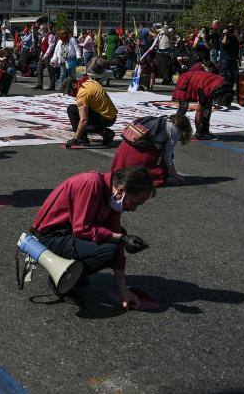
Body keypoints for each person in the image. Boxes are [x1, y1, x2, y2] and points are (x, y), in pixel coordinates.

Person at [30, 167, 154, 306]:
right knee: (108, 250)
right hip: (48, 237)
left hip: (67, 233)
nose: (133, 209)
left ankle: (74, 272)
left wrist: (123, 291)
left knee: (115, 241)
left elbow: (117, 235)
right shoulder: (91, 184)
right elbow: (82, 229)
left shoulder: (113, 196)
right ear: (121, 190)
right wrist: (120, 238)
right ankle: (61, 278)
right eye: (134, 202)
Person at [111, 114, 192, 186]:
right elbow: (167, 156)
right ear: (184, 128)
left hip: (123, 149)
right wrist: (175, 174)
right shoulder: (174, 130)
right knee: (163, 166)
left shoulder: (160, 120)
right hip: (136, 153)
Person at [172, 70, 233, 140]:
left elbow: (207, 110)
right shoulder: (205, 92)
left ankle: (204, 132)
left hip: (200, 81)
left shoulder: (223, 86)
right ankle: (175, 130)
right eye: (219, 101)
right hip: (186, 81)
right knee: (184, 107)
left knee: (207, 110)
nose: (217, 103)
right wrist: (198, 131)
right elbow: (199, 112)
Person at [62, 75, 117, 148]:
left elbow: (84, 120)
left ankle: (83, 139)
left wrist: (75, 138)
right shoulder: (89, 82)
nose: (69, 95)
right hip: (111, 116)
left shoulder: (82, 94)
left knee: (71, 109)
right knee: (81, 113)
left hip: (105, 119)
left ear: (74, 85)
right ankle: (106, 132)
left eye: (69, 92)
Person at [34, 26, 57, 91]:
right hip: (43, 54)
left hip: (49, 55)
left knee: (50, 71)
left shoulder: (51, 36)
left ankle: (52, 86)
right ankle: (40, 84)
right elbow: (42, 46)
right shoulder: (42, 36)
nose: (40, 30)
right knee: (39, 69)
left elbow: (51, 46)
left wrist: (46, 55)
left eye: (41, 29)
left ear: (44, 29)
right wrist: (41, 54)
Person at [219, 24, 240, 92]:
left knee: (233, 75)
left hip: (233, 58)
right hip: (225, 58)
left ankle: (230, 89)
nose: (231, 29)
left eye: (232, 27)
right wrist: (225, 34)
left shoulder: (235, 36)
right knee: (223, 74)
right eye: (229, 27)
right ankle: (222, 89)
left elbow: (240, 41)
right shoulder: (223, 35)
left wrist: (236, 34)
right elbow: (224, 42)